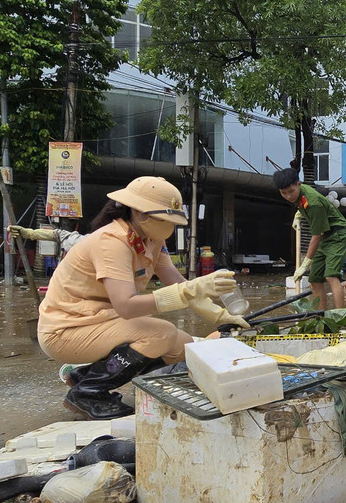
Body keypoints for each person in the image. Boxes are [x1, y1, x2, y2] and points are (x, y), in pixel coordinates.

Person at [37, 177, 246, 420]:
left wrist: (220, 315)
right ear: (140, 213)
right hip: (67, 330)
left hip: (101, 321)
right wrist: (190, 289)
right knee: (161, 334)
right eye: (165, 220)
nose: (170, 227)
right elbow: (126, 306)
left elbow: (178, 283)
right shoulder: (112, 242)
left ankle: (86, 375)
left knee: (183, 348)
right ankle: (88, 393)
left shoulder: (151, 240)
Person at [276, 163, 346, 310]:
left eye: (291, 191)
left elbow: (316, 236)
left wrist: (305, 264)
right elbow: (303, 204)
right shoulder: (300, 193)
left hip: (337, 235)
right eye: (284, 193)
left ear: (298, 184)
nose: (289, 196)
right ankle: (320, 315)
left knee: (331, 276)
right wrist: (299, 214)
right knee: (315, 279)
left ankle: (341, 316)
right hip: (325, 236)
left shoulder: (314, 203)